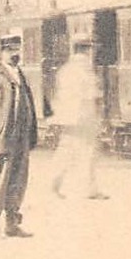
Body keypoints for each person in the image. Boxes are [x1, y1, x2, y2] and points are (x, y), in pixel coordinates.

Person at [0, 30, 46, 237]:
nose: (15, 54)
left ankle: (12, 222)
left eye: (17, 49)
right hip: (3, 136)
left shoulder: (20, 74)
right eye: (10, 50)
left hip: (21, 136)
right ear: (1, 52)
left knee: (19, 179)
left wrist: (31, 132)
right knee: (0, 179)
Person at [50, 35, 108, 200]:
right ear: (86, 49)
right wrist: (99, 114)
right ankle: (90, 189)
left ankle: (54, 184)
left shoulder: (65, 69)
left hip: (68, 116)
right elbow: (92, 94)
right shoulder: (84, 68)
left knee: (66, 150)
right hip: (84, 115)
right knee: (88, 152)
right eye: (90, 48)